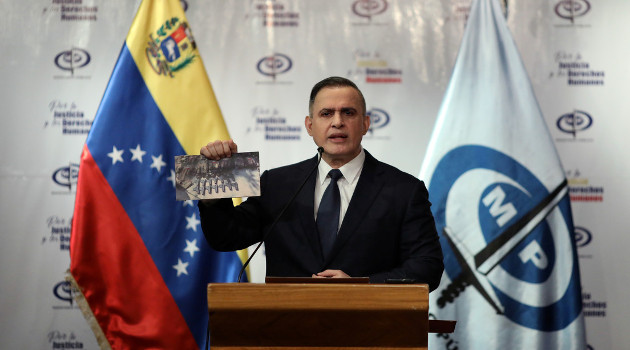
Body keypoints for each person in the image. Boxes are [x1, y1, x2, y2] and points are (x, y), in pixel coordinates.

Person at [199, 76, 443, 290]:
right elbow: (225, 238)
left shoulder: (404, 190)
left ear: (366, 124)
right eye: (326, 113)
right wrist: (214, 186)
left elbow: (427, 268)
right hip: (288, 328)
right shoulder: (277, 183)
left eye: (348, 112)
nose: (337, 122)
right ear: (310, 125)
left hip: (367, 330)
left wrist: (362, 285)